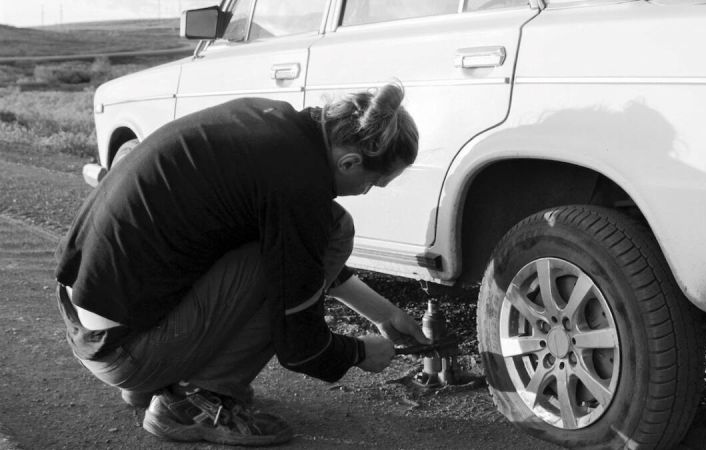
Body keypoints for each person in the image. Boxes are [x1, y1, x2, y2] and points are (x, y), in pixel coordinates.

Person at [54, 83, 427, 446]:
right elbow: (300, 345)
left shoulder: (274, 126)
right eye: (372, 184)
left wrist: (382, 313)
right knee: (320, 239)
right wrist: (359, 353)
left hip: (95, 322)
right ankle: (194, 402)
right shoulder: (298, 184)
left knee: (320, 233)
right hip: (125, 353)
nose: (365, 192)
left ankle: (165, 378)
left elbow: (300, 255)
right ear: (350, 162)